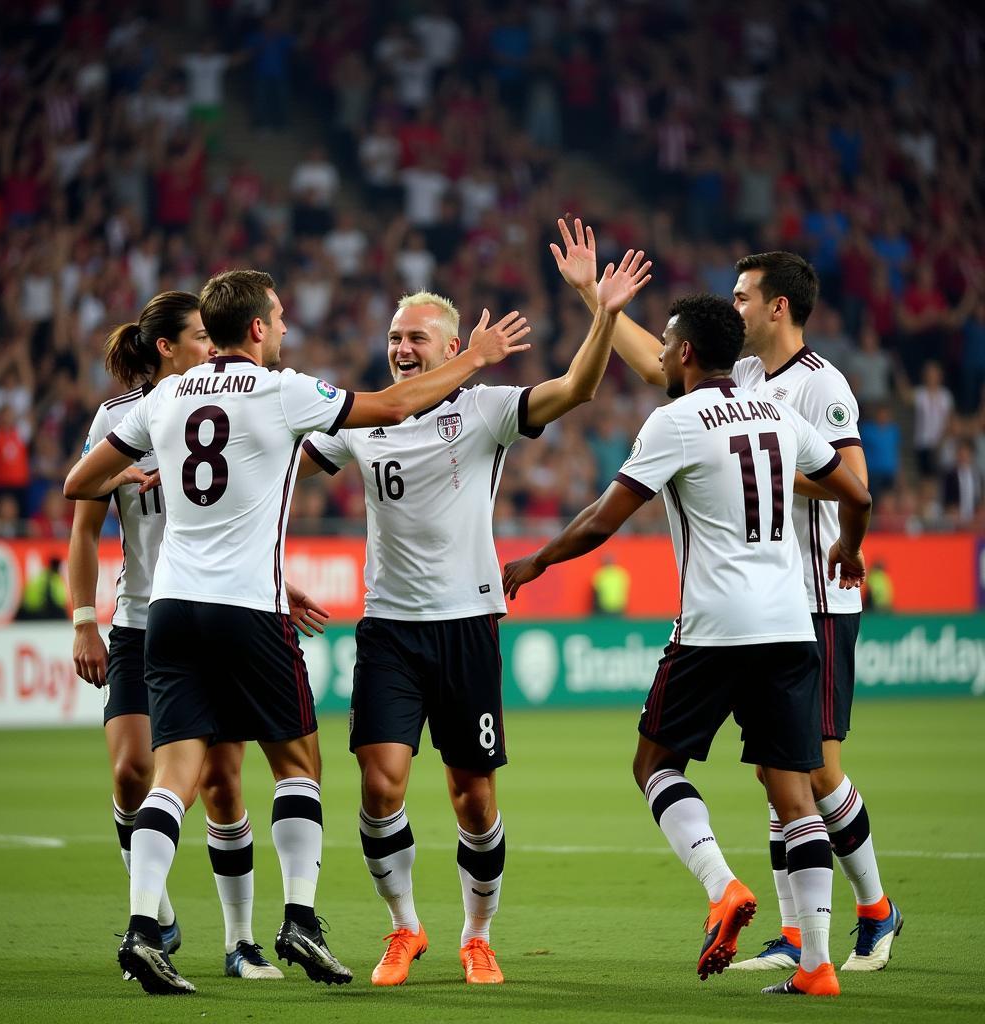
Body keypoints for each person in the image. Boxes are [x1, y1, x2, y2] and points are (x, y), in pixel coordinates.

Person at [63, 269, 532, 996]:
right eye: (277, 319)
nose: (284, 330)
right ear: (255, 328)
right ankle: (301, 922)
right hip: (249, 606)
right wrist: (473, 359)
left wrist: (146, 476)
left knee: (174, 775)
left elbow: (80, 482)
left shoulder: (160, 397)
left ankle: (142, 929)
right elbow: (394, 404)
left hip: (172, 610)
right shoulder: (281, 389)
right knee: (298, 766)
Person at [295, 250, 651, 987]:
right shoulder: (361, 420)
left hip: (467, 625)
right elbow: (279, 470)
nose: (401, 348)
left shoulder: (484, 409)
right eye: (396, 337)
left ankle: (477, 934)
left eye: (417, 339)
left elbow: (578, 388)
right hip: (390, 626)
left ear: (453, 349)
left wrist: (602, 309)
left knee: (473, 796)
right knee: (379, 782)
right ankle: (403, 927)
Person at [552, 223, 901, 973]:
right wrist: (594, 296)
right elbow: (660, 363)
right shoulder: (741, 379)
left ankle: (875, 910)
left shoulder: (818, 384)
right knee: (778, 775)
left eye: (743, 296)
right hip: (772, 602)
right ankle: (798, 938)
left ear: (777, 308)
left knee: (814, 771)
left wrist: (753, 468)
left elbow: (854, 484)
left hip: (817, 593)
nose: (733, 306)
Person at [68, 290, 290, 980]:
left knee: (223, 782)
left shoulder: (231, 401)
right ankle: (156, 916)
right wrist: (83, 619)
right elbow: (81, 521)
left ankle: (241, 940)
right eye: (198, 337)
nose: (210, 347)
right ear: (167, 347)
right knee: (134, 771)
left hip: (219, 610)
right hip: (143, 622)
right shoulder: (120, 419)